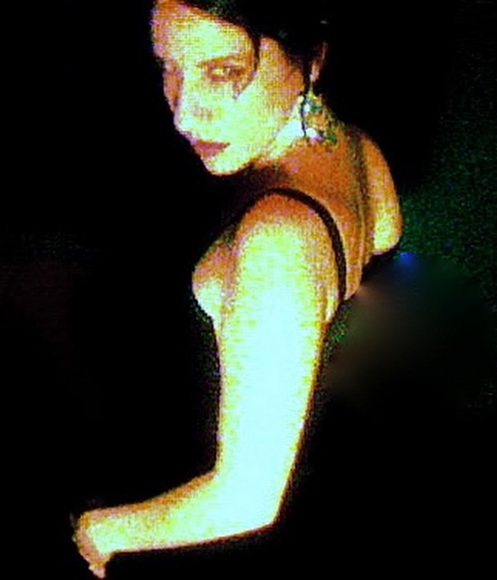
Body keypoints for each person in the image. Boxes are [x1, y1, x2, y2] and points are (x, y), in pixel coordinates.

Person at [73, 0, 402, 576]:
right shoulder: (356, 146)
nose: (183, 113)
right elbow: (383, 236)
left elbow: (244, 499)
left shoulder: (277, 241)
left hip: (185, 538)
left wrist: (98, 533)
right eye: (167, 68)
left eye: (222, 72)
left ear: (312, 61)